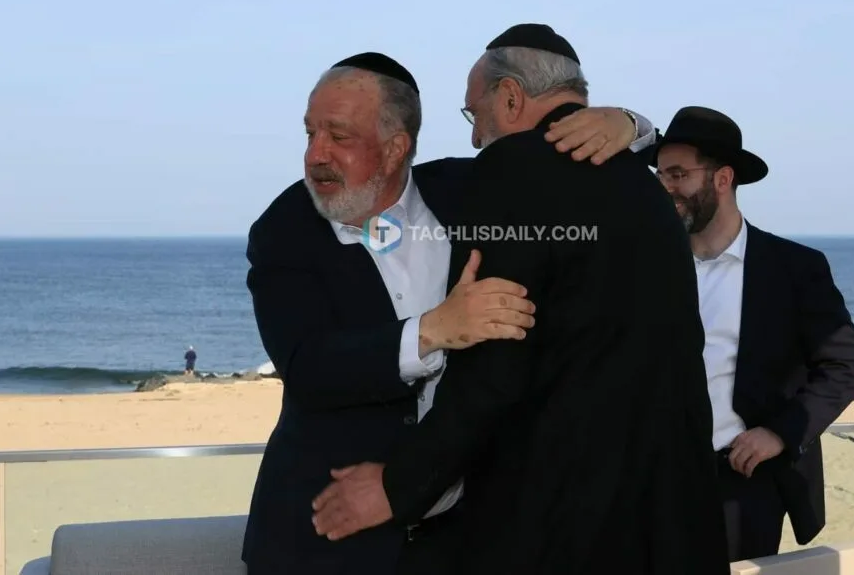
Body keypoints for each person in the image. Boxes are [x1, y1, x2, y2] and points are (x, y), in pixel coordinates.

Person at [311, 25, 729, 574]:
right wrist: (633, 123)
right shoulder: (645, 184)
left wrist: (397, 486)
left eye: (475, 114)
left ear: (510, 98)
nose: (474, 138)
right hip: (672, 514)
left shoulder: (510, 170)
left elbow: (494, 363)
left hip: (568, 522)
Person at [241, 48, 659, 575]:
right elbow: (307, 366)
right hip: (329, 537)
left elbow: (586, 175)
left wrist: (630, 125)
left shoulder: (471, 190)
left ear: (396, 148)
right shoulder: (283, 229)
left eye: (338, 136)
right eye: (310, 133)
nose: (315, 154)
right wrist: (434, 330)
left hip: (469, 537)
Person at [647, 105, 854, 561]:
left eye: (677, 174)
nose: (665, 187)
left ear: (722, 178)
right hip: (653, 479)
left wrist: (780, 433)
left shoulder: (794, 268)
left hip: (742, 485)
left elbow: (845, 365)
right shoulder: (646, 267)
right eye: (660, 175)